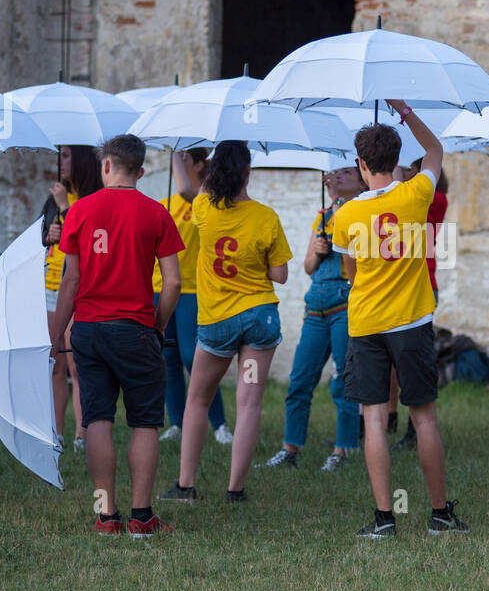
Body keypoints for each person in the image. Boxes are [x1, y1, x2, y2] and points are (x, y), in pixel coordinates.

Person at [331, 101, 468, 539]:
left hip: (366, 323)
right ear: (395, 160)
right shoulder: (416, 195)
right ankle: (440, 514)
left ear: (361, 163)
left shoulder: (345, 214)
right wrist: (405, 111)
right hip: (411, 322)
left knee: (373, 418)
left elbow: (349, 273)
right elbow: (435, 149)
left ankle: (384, 518)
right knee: (423, 417)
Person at [52, 134, 183, 537]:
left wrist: (56, 334)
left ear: (106, 165)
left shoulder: (78, 211)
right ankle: (142, 518)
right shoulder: (157, 213)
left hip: (89, 330)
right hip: (136, 330)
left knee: (97, 421)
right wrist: (158, 325)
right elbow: (174, 283)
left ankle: (106, 516)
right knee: (144, 424)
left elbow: (71, 279)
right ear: (141, 171)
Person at [158, 140, 291, 503]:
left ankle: (185, 486)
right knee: (249, 403)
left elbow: (187, 188)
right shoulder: (267, 217)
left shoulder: (203, 208)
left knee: (198, 401)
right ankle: (235, 490)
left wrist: (176, 150)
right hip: (259, 321)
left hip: (218, 323)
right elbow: (280, 274)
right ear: (249, 172)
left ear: (215, 171)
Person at [266, 163, 364, 472]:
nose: (338, 175)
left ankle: (343, 450)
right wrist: (319, 251)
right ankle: (289, 449)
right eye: (337, 172)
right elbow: (308, 266)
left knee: (342, 381)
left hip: (344, 305)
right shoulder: (323, 216)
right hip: (316, 304)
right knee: (300, 379)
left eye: (348, 172)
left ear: (361, 183)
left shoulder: (362, 213)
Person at [153, 148, 231, 449]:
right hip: (160, 287)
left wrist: (175, 152)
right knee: (167, 359)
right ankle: (177, 422)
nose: (180, 163)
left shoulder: (204, 197)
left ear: (199, 164)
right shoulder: (163, 204)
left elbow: (186, 187)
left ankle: (219, 424)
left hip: (192, 291)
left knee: (194, 357)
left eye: (186, 158)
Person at [42, 144, 102, 449]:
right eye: (59, 156)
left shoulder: (92, 200)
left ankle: (82, 433)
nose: (60, 162)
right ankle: (57, 432)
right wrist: (49, 234)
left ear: (80, 160)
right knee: (53, 362)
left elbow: (90, 239)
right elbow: (46, 238)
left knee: (78, 364)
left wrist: (66, 208)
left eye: (66, 156)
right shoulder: (54, 197)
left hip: (77, 289)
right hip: (50, 285)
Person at [388, 159, 448, 451]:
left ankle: (415, 430)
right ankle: (388, 420)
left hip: (422, 288)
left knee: (413, 363)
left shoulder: (434, 198)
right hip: (401, 288)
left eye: (410, 168)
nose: (405, 173)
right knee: (393, 362)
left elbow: (399, 193)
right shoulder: (408, 195)